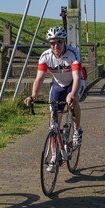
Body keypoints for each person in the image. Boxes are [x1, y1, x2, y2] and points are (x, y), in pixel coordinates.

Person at [24, 27, 83, 172]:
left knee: (72, 102)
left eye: (59, 42)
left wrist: (72, 94)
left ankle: (76, 130)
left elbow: (76, 77)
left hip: (74, 83)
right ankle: (54, 157)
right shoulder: (45, 56)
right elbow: (39, 78)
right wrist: (33, 96)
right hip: (58, 85)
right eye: (52, 43)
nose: (56, 46)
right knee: (53, 124)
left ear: (64, 42)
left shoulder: (73, 53)